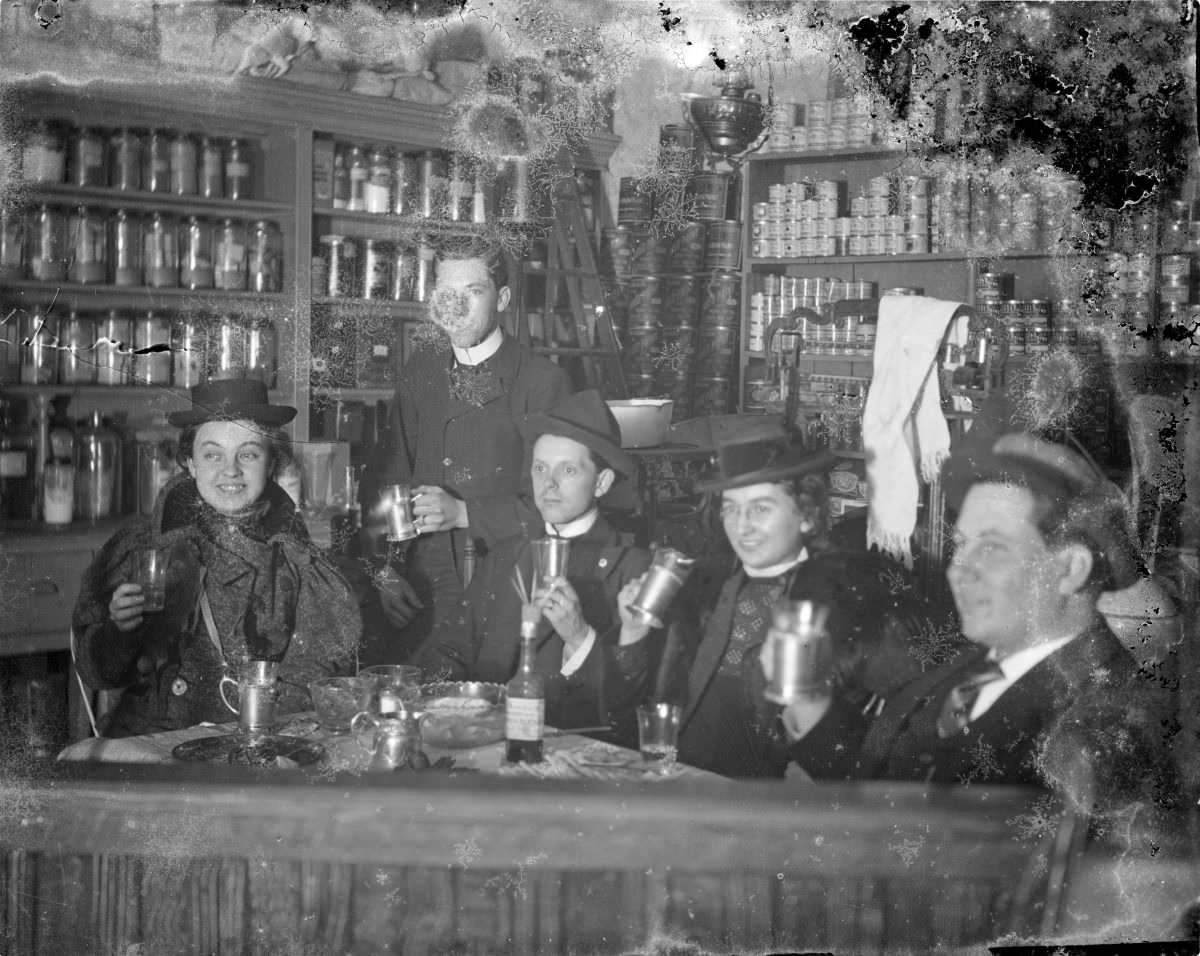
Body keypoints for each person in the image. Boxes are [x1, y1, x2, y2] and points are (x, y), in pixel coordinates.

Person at [781, 431, 1179, 810]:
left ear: (1071, 568)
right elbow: (890, 783)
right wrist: (810, 708)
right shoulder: (975, 668)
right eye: (961, 546)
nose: (958, 570)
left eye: (991, 548)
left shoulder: (1097, 725)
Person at [73, 380, 362, 738]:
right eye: (212, 455)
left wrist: (252, 724)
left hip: (250, 744)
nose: (230, 471)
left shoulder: (296, 560)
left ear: (271, 463)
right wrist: (120, 631)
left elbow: (315, 679)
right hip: (154, 748)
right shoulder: (144, 549)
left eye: (248, 454)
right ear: (190, 463)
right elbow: (99, 674)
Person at [667, 434, 927, 779]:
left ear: (806, 515)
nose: (741, 525)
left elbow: (909, 714)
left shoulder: (851, 595)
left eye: (761, 508)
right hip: (683, 783)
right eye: (730, 508)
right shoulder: (705, 587)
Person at [365, 239, 573, 659]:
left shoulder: (541, 381)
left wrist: (464, 513)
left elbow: (561, 505)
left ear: (503, 298)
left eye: (472, 292)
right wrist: (384, 570)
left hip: (503, 588)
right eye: (445, 294)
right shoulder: (421, 367)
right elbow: (389, 476)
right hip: (419, 587)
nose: (454, 308)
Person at [418, 390, 657, 736]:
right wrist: (422, 703)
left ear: (602, 483)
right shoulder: (505, 556)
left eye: (569, 470)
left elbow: (631, 711)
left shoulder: (634, 569)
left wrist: (579, 637)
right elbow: (450, 649)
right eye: (540, 468)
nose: (549, 484)